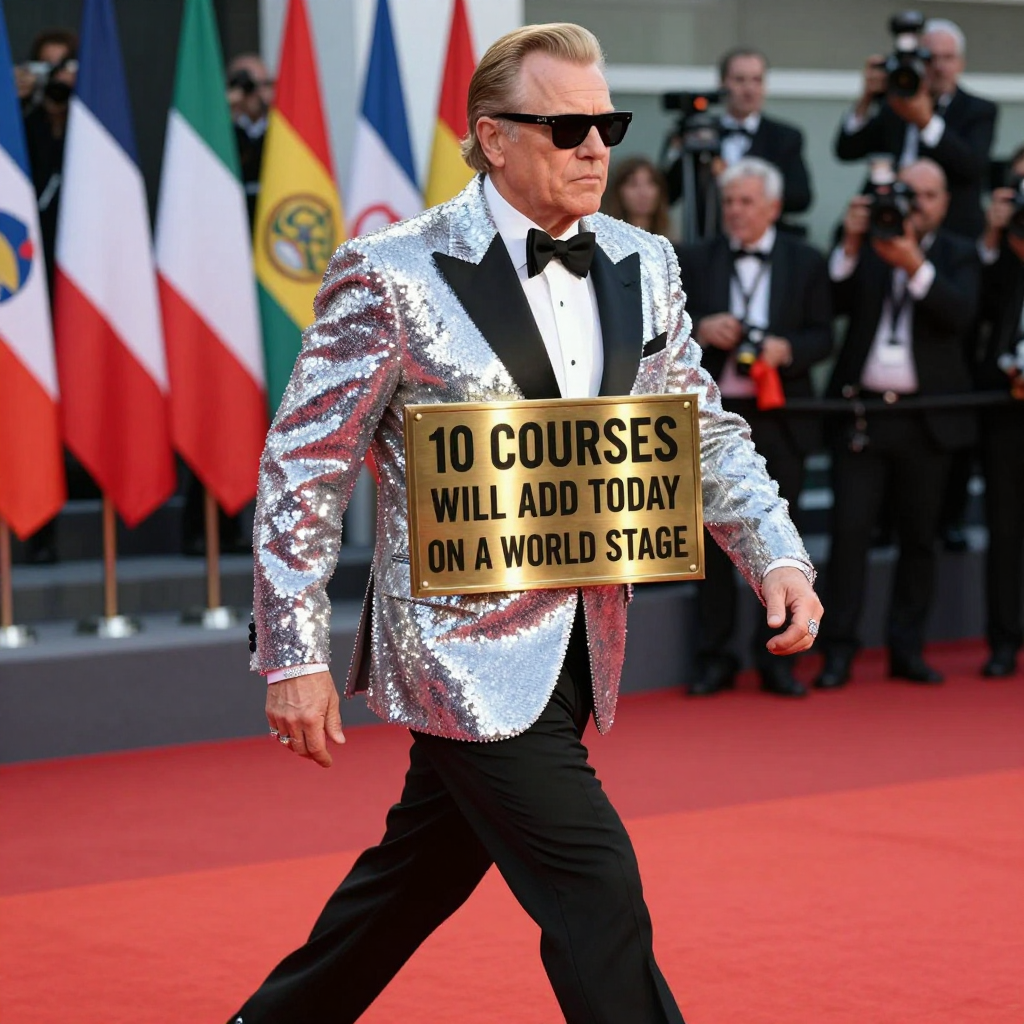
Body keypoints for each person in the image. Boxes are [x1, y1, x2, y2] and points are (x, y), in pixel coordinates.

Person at [231, 23, 822, 1024]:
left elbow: (698, 432)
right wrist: (292, 647)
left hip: (579, 642)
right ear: (493, 137)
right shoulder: (390, 273)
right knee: (597, 888)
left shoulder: (645, 260)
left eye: (607, 123)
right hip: (456, 649)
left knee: (410, 881)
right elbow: (306, 463)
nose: (597, 146)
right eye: (567, 127)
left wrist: (772, 549)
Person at [815, 158, 979, 691]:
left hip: (926, 419)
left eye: (930, 195)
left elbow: (961, 317)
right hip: (862, 413)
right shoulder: (868, 240)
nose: (918, 204)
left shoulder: (957, 253)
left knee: (919, 538)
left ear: (945, 203)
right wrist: (851, 245)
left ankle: (907, 648)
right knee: (849, 534)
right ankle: (838, 651)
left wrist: (914, 264)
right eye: (911, 193)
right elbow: (829, 304)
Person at [675, 158, 832, 698]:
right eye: (730, 202)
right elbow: (667, 337)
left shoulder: (806, 260)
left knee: (781, 542)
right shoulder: (692, 259)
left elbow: (824, 336)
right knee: (713, 545)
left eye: (746, 202)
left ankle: (780, 661)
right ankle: (714, 657)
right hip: (711, 422)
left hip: (780, 418)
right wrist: (702, 327)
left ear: (773, 207)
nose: (735, 212)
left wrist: (789, 350)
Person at [834, 18, 996, 241]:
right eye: (930, 59)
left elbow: (972, 166)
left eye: (947, 58)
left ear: (961, 63)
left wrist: (925, 121)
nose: (938, 67)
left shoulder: (978, 110)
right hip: (888, 220)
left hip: (949, 230)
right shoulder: (894, 104)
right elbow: (847, 150)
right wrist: (867, 98)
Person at [663, 47, 812, 237]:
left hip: (766, 245)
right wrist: (678, 151)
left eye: (757, 80)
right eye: (739, 80)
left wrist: (737, 180)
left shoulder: (784, 136)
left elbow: (801, 198)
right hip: (708, 243)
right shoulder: (701, 133)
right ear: (722, 84)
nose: (749, 89)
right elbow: (667, 195)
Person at [974, 145, 1024, 678]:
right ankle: (1004, 640)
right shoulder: (1006, 254)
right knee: (1004, 532)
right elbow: (978, 306)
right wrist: (997, 237)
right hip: (1005, 413)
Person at [226, 53, 274, 226]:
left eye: (266, 84)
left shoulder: (282, 131)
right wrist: (226, 109)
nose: (258, 92)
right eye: (250, 86)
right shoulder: (226, 128)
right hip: (233, 222)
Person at [602, 155, 674, 237]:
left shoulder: (667, 243)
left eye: (650, 183)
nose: (643, 193)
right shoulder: (605, 240)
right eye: (633, 184)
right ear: (618, 191)